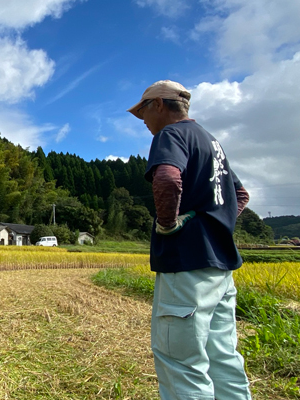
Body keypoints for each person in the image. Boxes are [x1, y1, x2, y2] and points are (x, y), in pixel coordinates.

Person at [128, 80, 252, 400]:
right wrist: (217, 223)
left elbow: (168, 177)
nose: (143, 121)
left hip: (187, 267)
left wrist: (169, 224)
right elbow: (240, 194)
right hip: (220, 269)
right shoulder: (211, 141)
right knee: (223, 358)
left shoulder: (172, 134)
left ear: (159, 105)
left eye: (143, 113)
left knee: (181, 363)